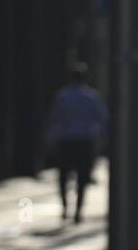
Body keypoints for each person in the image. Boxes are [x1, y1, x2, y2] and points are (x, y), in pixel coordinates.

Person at [45, 63, 108, 223]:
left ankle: (65, 207)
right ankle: (78, 211)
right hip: (85, 141)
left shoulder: (62, 96)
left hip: (66, 140)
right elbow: (102, 120)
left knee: (64, 177)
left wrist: (51, 140)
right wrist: (100, 141)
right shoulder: (92, 96)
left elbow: (54, 120)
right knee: (82, 178)